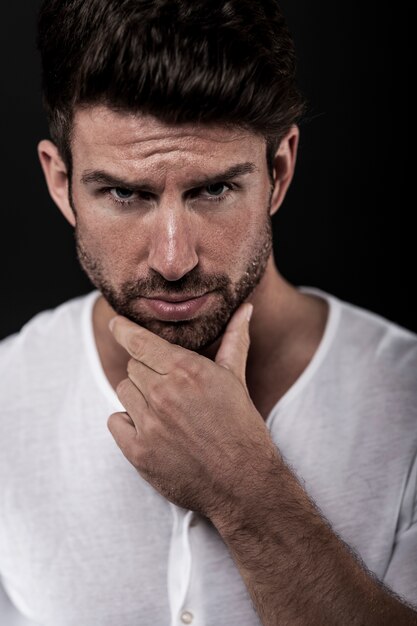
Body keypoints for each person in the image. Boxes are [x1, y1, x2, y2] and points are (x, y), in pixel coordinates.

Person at [0, 0, 416, 624]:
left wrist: (248, 493)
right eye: (124, 193)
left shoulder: (406, 401)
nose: (173, 259)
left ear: (278, 172)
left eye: (214, 189)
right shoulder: (8, 396)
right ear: (61, 184)